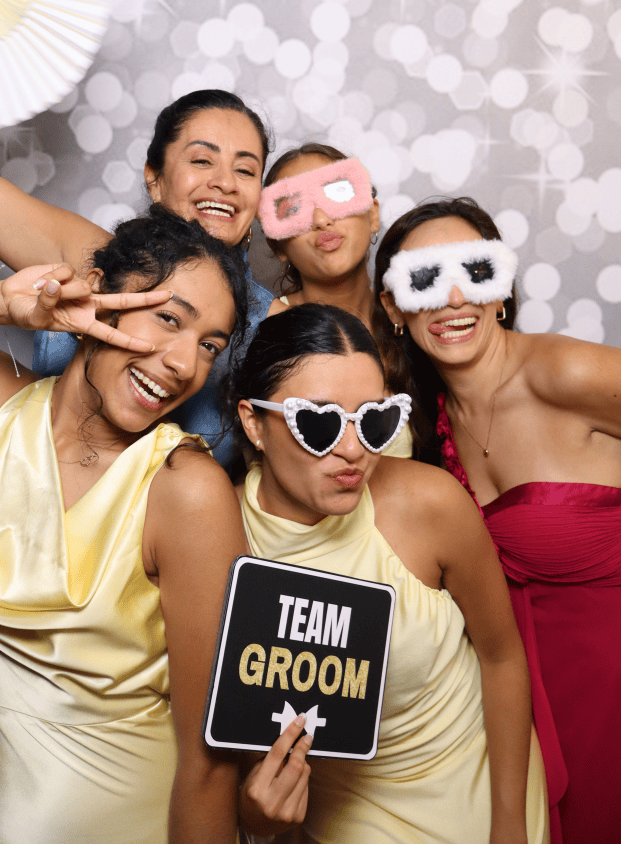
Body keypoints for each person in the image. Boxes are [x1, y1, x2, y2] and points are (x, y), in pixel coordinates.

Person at [0, 0, 274, 843]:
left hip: (150, 641)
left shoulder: (273, 328)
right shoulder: (86, 262)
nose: (223, 183)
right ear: (152, 178)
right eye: (201, 158)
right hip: (14, 583)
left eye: (247, 168)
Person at [0, 206, 259, 843]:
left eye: (210, 347)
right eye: (169, 318)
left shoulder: (186, 490)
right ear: (101, 298)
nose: (182, 363)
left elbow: (208, 763)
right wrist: (4, 301)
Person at [230, 304, 549, 844]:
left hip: (480, 798)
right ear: (253, 422)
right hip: (345, 823)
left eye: (374, 422)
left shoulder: (430, 503)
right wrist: (256, 818)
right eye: (317, 423)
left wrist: (511, 826)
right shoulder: (221, 542)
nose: (353, 451)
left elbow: (501, 656)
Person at [373, 196, 621, 844]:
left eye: (475, 271)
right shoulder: (426, 424)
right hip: (521, 711)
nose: (452, 298)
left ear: (501, 291)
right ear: (392, 309)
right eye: (424, 280)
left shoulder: (561, 372)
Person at [257, 143, 412, 460]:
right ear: (278, 246)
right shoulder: (262, 331)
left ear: (372, 215)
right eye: (292, 209)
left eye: (338, 194)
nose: (321, 219)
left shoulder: (413, 320)